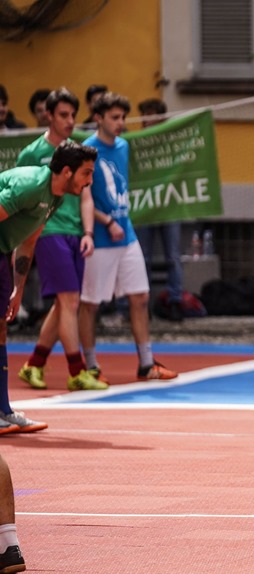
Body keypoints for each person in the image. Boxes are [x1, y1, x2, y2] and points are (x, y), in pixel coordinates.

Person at [0, 139, 99, 432]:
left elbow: (29, 240)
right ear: (67, 172)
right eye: (86, 174)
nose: (89, 181)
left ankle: (4, 410)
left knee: (1, 328)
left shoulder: (55, 196)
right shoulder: (30, 186)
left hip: (3, 251)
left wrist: (18, 288)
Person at [79, 92, 178, 382]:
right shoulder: (86, 149)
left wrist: (120, 220)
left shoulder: (123, 146)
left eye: (123, 117)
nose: (121, 123)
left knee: (140, 297)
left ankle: (146, 363)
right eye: (114, 117)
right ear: (98, 118)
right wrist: (106, 221)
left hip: (127, 235)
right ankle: (91, 366)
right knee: (90, 304)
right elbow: (81, 196)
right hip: (99, 239)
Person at [17, 88, 107, 392]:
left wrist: (89, 233)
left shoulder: (78, 150)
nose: (70, 121)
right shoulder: (31, 153)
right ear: (49, 116)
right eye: (64, 115)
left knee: (65, 302)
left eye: (73, 115)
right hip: (48, 232)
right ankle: (76, 370)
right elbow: (20, 197)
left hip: (74, 234)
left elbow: (86, 196)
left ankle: (34, 364)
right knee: (68, 301)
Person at [134, 98, 183, 321]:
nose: (148, 121)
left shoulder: (173, 142)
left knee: (173, 256)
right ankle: (145, 304)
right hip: (145, 207)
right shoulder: (134, 144)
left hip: (169, 206)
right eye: (145, 116)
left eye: (152, 115)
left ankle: (175, 301)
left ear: (162, 117)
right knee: (143, 258)